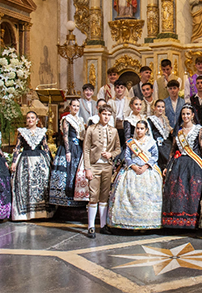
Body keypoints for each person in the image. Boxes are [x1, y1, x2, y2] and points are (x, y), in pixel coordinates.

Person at [108, 120, 163, 230]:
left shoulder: (151, 142)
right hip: (132, 170)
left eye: (142, 128)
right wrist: (133, 166)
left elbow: (155, 156)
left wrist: (146, 166)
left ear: (146, 130)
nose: (139, 130)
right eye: (137, 128)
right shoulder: (131, 142)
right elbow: (127, 157)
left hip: (147, 170)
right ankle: (127, 221)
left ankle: (149, 222)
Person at [162, 105, 202, 228]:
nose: (185, 116)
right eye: (183, 114)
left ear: (193, 115)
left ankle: (192, 222)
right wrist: (167, 166)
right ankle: (175, 221)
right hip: (178, 163)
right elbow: (173, 150)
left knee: (193, 190)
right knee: (177, 190)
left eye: (188, 114)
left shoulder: (199, 130)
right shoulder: (178, 130)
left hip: (194, 163)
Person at [83, 105, 121, 238]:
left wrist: (111, 154)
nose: (106, 117)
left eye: (109, 115)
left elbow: (118, 149)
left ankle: (103, 225)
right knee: (93, 196)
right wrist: (87, 168)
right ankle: (91, 226)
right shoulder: (91, 129)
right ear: (99, 114)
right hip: (94, 166)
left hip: (107, 167)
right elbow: (86, 149)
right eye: (104, 114)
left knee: (104, 196)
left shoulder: (114, 130)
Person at [9, 111, 53, 221]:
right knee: (26, 183)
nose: (30, 120)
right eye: (28, 118)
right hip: (25, 160)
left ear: (37, 119)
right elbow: (17, 148)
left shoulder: (41, 132)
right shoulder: (22, 132)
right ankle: (26, 213)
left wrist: (51, 161)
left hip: (39, 159)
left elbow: (46, 147)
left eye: (32, 118)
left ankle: (41, 213)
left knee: (41, 184)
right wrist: (14, 162)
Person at [50, 99, 86, 207]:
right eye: (73, 106)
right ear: (70, 107)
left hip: (78, 148)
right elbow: (65, 136)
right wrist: (67, 151)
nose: (75, 108)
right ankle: (66, 200)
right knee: (68, 171)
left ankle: (76, 199)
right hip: (70, 147)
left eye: (77, 106)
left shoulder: (80, 119)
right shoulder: (67, 119)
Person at [147, 100, 173, 171]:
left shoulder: (164, 119)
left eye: (162, 107)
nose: (160, 109)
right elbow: (149, 134)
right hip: (157, 144)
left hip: (166, 142)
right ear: (154, 108)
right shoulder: (151, 119)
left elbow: (167, 131)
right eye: (158, 106)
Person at [109, 80, 131, 146]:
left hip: (126, 128)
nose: (119, 89)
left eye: (121, 87)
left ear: (124, 89)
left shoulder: (130, 101)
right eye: (117, 87)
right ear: (114, 89)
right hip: (114, 127)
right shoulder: (110, 102)